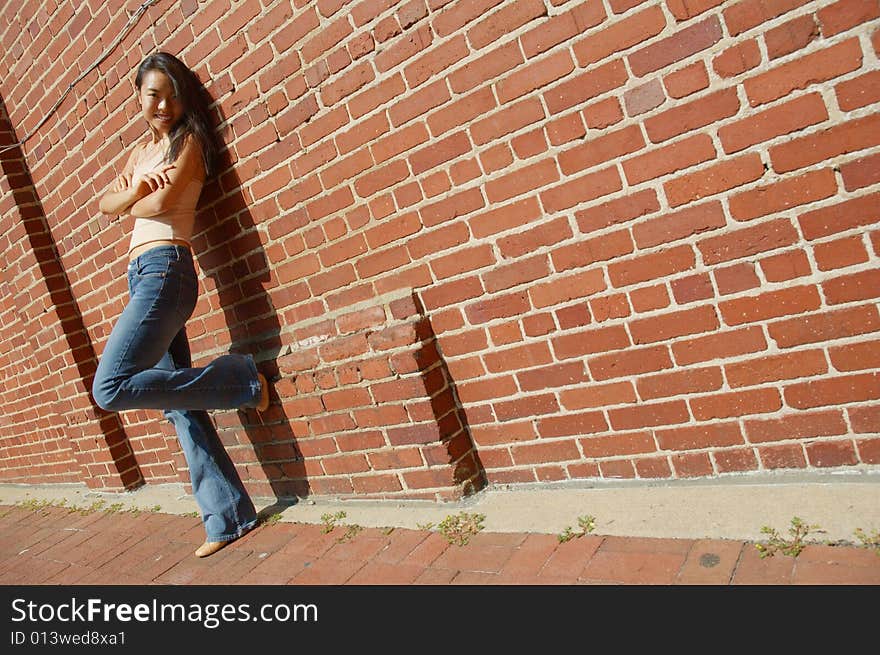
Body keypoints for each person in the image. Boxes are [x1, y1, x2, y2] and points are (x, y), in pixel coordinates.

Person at [92, 51, 269, 558]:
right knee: (176, 405)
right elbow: (107, 204)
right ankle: (228, 516)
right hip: (141, 275)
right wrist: (129, 195)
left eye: (170, 93)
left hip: (167, 270)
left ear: (182, 95)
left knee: (110, 387)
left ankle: (241, 380)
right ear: (139, 97)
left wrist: (132, 199)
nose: (162, 104)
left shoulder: (188, 142)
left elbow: (160, 206)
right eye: (152, 93)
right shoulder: (139, 153)